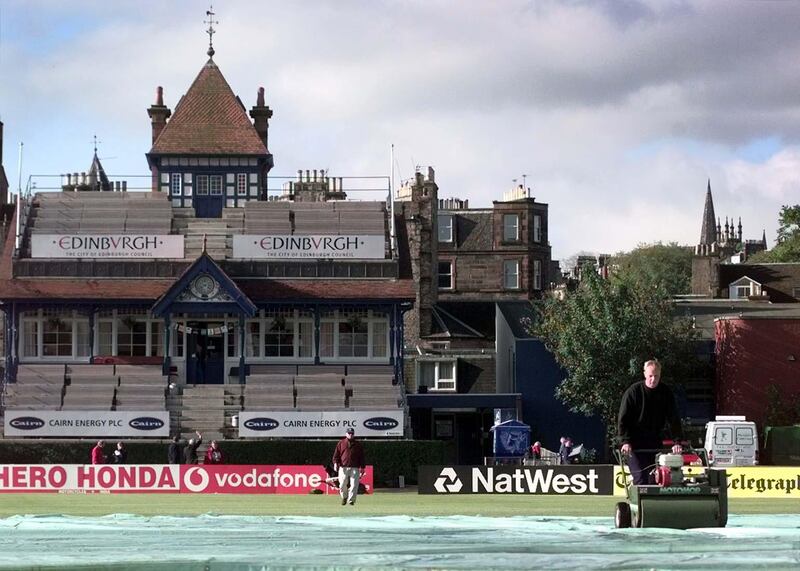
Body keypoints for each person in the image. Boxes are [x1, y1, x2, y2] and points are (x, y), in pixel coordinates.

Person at [618, 358, 683, 485]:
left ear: (660, 375)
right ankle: (638, 504)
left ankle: (654, 504)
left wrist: (677, 441)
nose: (653, 379)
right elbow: (623, 419)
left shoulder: (665, 393)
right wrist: (625, 441)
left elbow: (674, 418)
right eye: (650, 376)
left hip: (654, 442)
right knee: (641, 479)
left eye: (656, 376)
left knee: (655, 479)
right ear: (644, 374)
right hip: (634, 445)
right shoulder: (633, 392)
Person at [332, 427, 366, 506]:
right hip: (343, 467)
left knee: (354, 484)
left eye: (352, 433)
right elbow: (336, 456)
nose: (350, 435)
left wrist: (363, 467)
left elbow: (362, 457)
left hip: (355, 467)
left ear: (354, 434)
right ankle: (344, 497)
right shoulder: (341, 443)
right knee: (342, 484)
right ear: (346, 434)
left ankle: (351, 500)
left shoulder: (358, 444)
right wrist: (335, 463)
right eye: (349, 433)